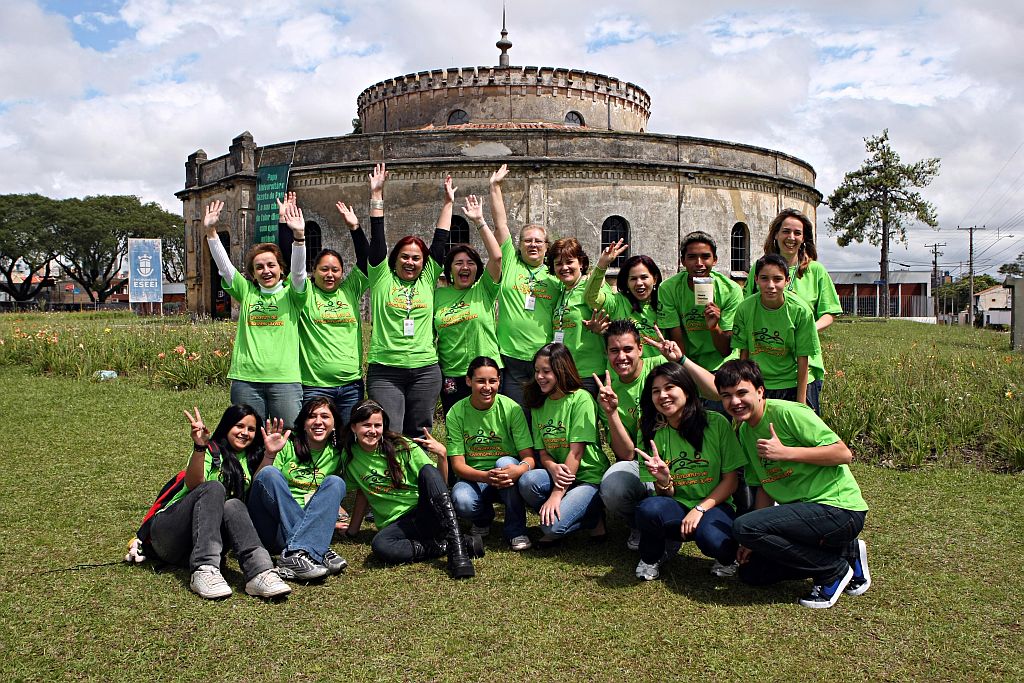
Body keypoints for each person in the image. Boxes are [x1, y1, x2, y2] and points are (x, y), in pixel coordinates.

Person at [715, 359, 870, 609]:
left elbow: (843, 454)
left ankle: (833, 570)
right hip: (805, 517)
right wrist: (751, 540)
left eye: (742, 392)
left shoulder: (788, 413)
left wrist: (786, 453)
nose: (735, 402)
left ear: (760, 391)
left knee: (742, 526)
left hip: (839, 509)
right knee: (752, 573)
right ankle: (845, 552)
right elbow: (764, 486)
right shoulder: (744, 432)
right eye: (726, 396)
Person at [594, 320, 721, 551]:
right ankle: (640, 524)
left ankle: (669, 525)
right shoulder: (607, 391)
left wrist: (680, 360)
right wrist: (611, 412)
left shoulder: (660, 368)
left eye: (628, 349)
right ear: (607, 353)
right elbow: (626, 454)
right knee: (613, 485)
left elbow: (715, 392)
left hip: (681, 455)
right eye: (614, 351)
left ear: (640, 348)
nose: (621, 357)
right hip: (646, 459)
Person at [148, 404, 291, 599]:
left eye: (251, 429)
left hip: (198, 543)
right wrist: (199, 446)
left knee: (234, 504)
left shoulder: (248, 459)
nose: (245, 433)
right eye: (239, 426)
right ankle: (204, 569)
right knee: (214, 488)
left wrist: (269, 455)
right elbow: (193, 484)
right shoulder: (209, 450)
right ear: (226, 426)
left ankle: (260, 571)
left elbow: (255, 491)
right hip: (170, 535)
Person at [619, 362, 745, 581]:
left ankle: (727, 559)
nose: (663, 396)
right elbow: (664, 496)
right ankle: (651, 557)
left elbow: (731, 481)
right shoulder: (650, 431)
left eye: (669, 388)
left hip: (714, 503)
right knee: (648, 510)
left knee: (713, 539)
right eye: (656, 391)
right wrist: (664, 481)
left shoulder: (716, 423)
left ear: (686, 390)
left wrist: (699, 509)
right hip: (677, 505)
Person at [339, 399, 482, 579]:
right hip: (397, 523)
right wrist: (353, 530)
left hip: (426, 512)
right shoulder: (350, 455)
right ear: (353, 427)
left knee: (428, 471)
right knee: (381, 546)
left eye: (378, 425)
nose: (373, 431)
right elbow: (363, 491)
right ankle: (454, 544)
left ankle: (458, 552)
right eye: (366, 425)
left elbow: (437, 483)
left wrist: (443, 456)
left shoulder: (402, 445)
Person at [364, 163, 451, 456]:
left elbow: (440, 241)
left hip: (425, 370)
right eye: (405, 257)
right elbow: (377, 241)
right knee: (389, 431)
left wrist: (449, 203)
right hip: (386, 371)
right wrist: (377, 195)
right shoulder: (381, 278)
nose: (411, 262)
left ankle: (419, 486)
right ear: (395, 259)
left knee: (421, 433)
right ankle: (391, 485)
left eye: (416, 258)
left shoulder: (428, 279)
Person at [204, 196, 308, 427]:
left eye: (271, 265)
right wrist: (211, 232)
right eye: (259, 267)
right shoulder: (247, 293)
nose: (266, 271)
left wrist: (299, 238)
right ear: (252, 273)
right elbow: (225, 268)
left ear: (281, 269)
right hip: (246, 379)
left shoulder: (293, 294)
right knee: (248, 436)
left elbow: (299, 273)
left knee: (289, 434)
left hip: (284, 379)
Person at [745, 208, 842, 411]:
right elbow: (748, 310)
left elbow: (829, 313)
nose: (791, 237)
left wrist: (806, 331)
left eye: (797, 233)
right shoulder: (759, 268)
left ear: (804, 237)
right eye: (786, 231)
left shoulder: (815, 271)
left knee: (802, 426)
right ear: (776, 235)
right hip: (765, 366)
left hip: (803, 366)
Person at [248, 397, 348, 582]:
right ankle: (315, 548)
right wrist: (270, 454)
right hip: (273, 526)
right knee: (269, 473)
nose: (318, 422)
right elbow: (260, 482)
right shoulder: (286, 446)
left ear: (334, 424)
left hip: (302, 524)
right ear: (303, 424)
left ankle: (302, 551)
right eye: (312, 416)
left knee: (336, 482)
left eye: (325, 416)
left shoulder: (338, 453)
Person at [517, 343, 608, 544]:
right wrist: (552, 467)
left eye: (546, 371)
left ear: (561, 370)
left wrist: (557, 495)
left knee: (551, 528)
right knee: (527, 482)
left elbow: (576, 453)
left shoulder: (581, 398)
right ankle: (575, 513)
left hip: (586, 476)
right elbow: (542, 453)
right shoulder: (538, 402)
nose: (540, 376)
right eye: (537, 371)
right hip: (559, 472)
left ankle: (593, 514)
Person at [445, 356, 535, 550]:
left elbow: (528, 457)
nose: (487, 387)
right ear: (469, 381)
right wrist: (485, 477)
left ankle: (516, 530)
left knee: (504, 464)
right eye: (480, 381)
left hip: (505, 474)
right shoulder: (455, 412)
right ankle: (482, 519)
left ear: (499, 381)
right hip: (475, 476)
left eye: (492, 381)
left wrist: (518, 470)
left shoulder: (512, 409)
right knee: (462, 501)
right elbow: (458, 466)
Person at [489, 165, 560, 405]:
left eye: (538, 242)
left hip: (545, 358)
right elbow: (501, 225)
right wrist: (495, 187)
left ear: (546, 246)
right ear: (518, 245)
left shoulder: (555, 276)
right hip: (511, 357)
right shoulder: (510, 262)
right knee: (516, 415)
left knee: (543, 415)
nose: (532, 245)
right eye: (527, 241)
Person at [297, 201, 369, 427]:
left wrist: (355, 228)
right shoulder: (305, 293)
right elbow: (294, 270)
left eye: (335, 270)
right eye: (324, 269)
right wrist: (295, 234)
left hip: (351, 386)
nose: (330, 275)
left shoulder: (350, 289)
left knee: (349, 438)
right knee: (316, 438)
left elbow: (368, 262)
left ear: (342, 272)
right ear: (314, 271)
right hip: (315, 386)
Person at [433, 195, 503, 415]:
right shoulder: (438, 295)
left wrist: (479, 221)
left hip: (487, 374)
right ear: (450, 269)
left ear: (477, 269)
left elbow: (497, 257)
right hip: (452, 373)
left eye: (470, 263)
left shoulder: (484, 289)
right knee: (456, 426)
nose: (465, 267)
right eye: (459, 263)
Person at [732, 254, 821, 407]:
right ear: (756, 280)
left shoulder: (801, 311)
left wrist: (800, 405)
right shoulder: (744, 309)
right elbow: (744, 354)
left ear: (787, 281)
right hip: (759, 384)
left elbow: (803, 360)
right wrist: (744, 391)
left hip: (792, 383)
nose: (770, 285)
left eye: (777, 279)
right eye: (764, 278)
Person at [659, 231, 743, 378]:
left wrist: (714, 327)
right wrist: (687, 372)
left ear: (715, 260)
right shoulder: (669, 289)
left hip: (722, 366)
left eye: (705, 257)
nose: (699, 264)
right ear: (683, 261)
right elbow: (676, 337)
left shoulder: (731, 290)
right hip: (687, 363)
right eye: (692, 257)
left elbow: (726, 350)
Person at [548, 237, 609, 395]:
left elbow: (610, 319)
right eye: (559, 264)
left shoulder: (591, 286)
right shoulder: (562, 292)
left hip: (589, 372)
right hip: (565, 371)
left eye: (569, 262)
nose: (564, 267)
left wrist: (602, 329)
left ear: (581, 263)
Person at [584, 240, 665, 359]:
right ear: (626, 282)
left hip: (658, 373)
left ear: (655, 279)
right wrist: (602, 265)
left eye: (644, 277)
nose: (639, 283)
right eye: (633, 279)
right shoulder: (618, 302)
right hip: (623, 374)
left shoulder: (666, 302)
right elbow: (591, 298)